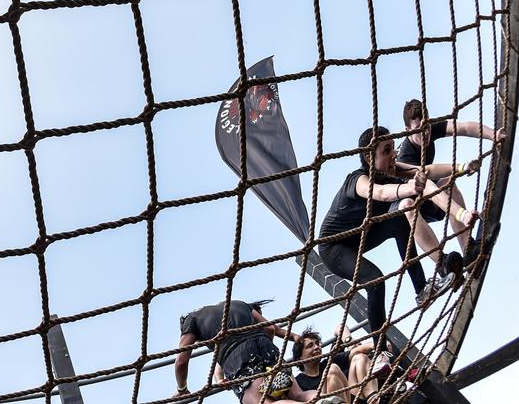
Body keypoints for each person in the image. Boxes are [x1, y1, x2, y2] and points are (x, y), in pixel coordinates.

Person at [317, 127, 475, 347]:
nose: (393, 154)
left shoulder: (391, 169)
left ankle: (425, 285)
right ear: (369, 158)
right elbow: (381, 193)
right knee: (375, 280)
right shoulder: (357, 180)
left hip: (363, 235)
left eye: (393, 148)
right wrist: (409, 188)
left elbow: (426, 170)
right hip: (334, 247)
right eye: (386, 150)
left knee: (401, 217)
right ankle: (380, 351)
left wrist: (461, 167)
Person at [395, 99, 502, 256]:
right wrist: (461, 167)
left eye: (427, 126)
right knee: (437, 183)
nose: (425, 133)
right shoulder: (406, 156)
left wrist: (494, 135)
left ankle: (468, 248)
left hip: (430, 195)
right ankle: (442, 261)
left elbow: (464, 127)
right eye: (417, 129)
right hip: (411, 207)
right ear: (407, 130)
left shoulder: (429, 129)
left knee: (449, 183)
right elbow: (427, 173)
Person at [173, 299, 316, 403]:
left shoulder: (191, 320)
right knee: (299, 395)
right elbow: (270, 328)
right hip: (267, 348)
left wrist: (182, 389)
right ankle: (322, 400)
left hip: (241, 362)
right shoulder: (238, 303)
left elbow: (181, 361)